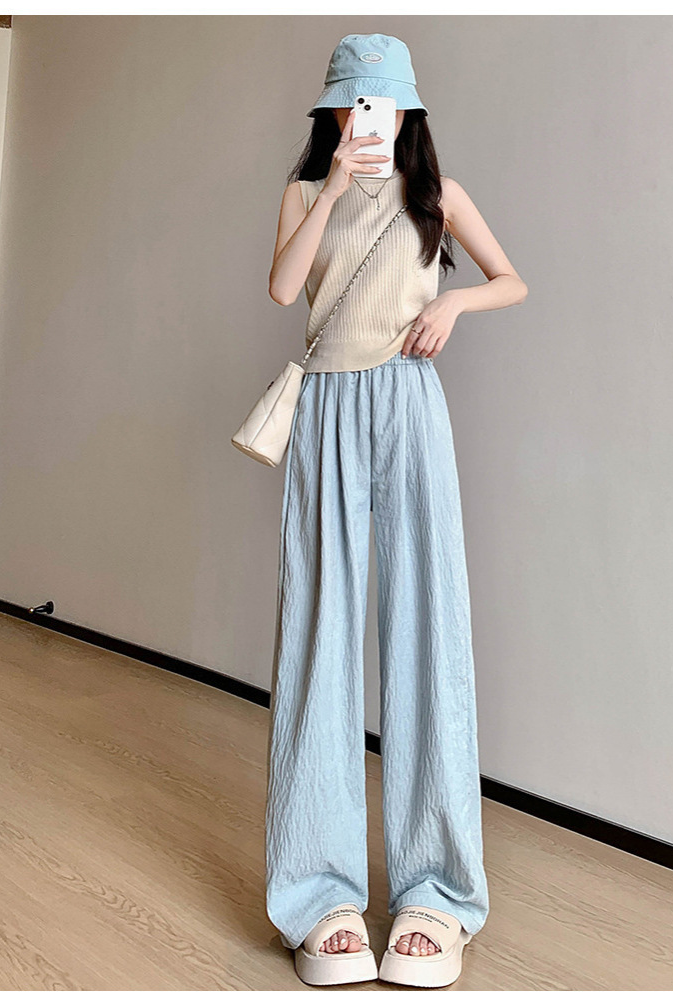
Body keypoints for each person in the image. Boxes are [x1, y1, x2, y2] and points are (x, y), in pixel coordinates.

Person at [264, 33, 528, 988]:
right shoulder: (305, 192)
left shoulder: (436, 195)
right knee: (320, 633)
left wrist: (452, 308)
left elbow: (511, 279)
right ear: (331, 111)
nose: (361, 117)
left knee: (428, 629)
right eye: (348, 102)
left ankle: (435, 893)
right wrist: (334, 185)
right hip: (327, 408)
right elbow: (283, 288)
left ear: (406, 112)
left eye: (377, 104)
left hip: (410, 405)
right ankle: (319, 896)